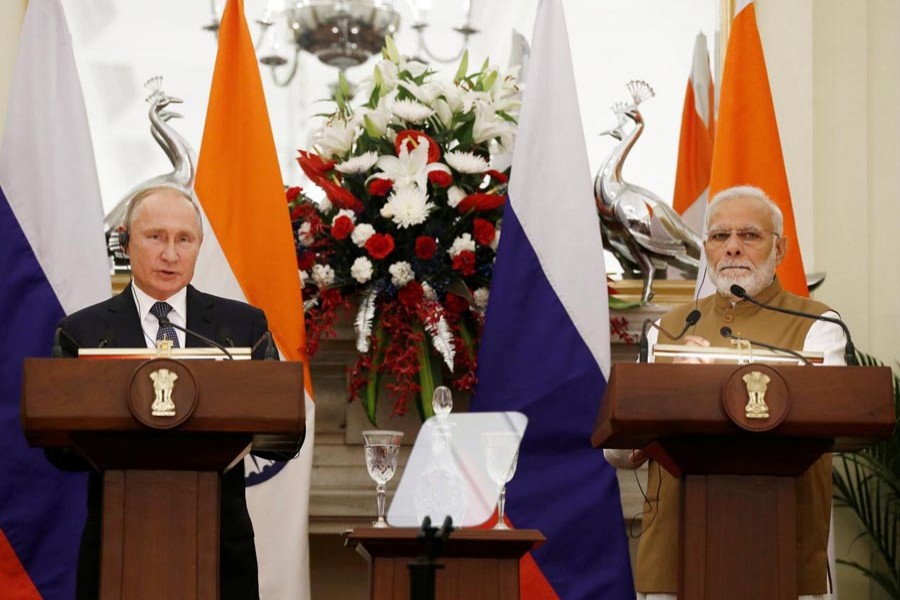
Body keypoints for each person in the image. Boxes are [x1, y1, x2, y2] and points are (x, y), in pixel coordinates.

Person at [605, 185, 847, 600]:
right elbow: (617, 449)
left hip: (780, 546)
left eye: (749, 235)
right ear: (706, 249)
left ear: (780, 248)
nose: (732, 247)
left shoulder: (818, 325)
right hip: (675, 552)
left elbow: (830, 416)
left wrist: (710, 379)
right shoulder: (668, 328)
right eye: (719, 236)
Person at [53, 185, 289, 600]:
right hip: (118, 550)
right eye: (155, 236)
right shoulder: (83, 332)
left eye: (184, 239)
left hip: (221, 554)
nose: (171, 254)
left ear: (199, 246)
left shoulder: (242, 327)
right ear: (125, 241)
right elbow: (58, 446)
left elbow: (283, 437)